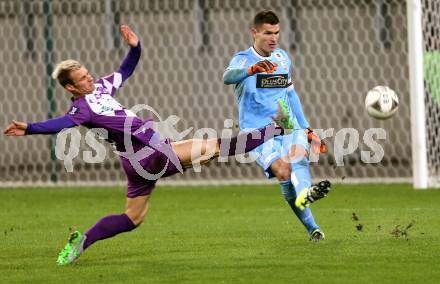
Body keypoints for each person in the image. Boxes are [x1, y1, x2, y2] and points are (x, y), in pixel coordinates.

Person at [3, 25, 294, 265]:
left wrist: (136, 47)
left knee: (133, 217)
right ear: (70, 87)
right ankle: (278, 126)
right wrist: (29, 128)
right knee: (216, 147)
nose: (89, 79)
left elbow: (125, 70)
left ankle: (83, 241)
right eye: (82, 79)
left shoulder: (101, 87)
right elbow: (61, 124)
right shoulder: (81, 109)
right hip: (150, 153)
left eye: (88, 74)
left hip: (135, 162)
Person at [223, 10, 331, 242]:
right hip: (257, 133)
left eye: (277, 33)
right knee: (283, 170)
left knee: (298, 156)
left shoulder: (282, 58)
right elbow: (228, 77)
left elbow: (292, 96)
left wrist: (308, 129)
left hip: (288, 125)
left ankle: (306, 196)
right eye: (267, 33)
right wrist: (252, 70)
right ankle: (312, 224)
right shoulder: (243, 59)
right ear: (255, 33)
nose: (273, 38)